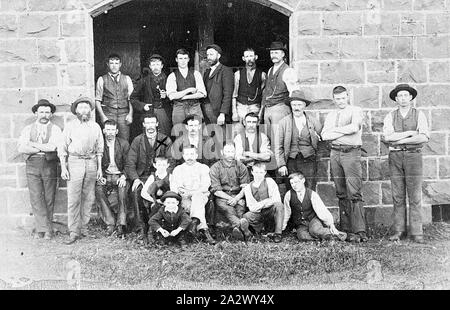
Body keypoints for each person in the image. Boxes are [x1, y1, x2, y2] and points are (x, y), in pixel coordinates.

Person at [382, 84, 429, 243]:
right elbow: (387, 137)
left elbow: (423, 137)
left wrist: (399, 139)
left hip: (413, 156)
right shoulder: (390, 116)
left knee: (415, 195)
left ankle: (416, 232)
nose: (402, 98)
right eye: (399, 96)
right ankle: (399, 230)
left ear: (410, 97)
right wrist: (409, 134)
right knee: (397, 195)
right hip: (395, 157)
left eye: (405, 95)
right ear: (396, 99)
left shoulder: (419, 115)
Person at [321, 86, 367, 243]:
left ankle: (360, 230)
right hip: (335, 153)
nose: (340, 101)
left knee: (354, 191)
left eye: (343, 98)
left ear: (347, 96)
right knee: (341, 191)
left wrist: (336, 131)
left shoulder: (355, 110)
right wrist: (343, 132)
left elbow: (355, 128)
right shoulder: (331, 114)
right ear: (333, 99)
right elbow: (325, 135)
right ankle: (346, 229)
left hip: (351, 153)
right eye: (337, 98)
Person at [59, 97, 104, 245]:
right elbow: (62, 148)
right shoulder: (70, 126)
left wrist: (99, 169)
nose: (84, 110)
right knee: (74, 198)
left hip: (91, 162)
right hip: (75, 162)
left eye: (86, 107)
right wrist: (64, 167)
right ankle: (73, 231)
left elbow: (99, 149)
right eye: (81, 107)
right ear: (76, 111)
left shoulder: (95, 126)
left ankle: (84, 228)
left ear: (90, 110)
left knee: (88, 197)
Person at [17, 99, 62, 240]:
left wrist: (32, 145)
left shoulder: (55, 129)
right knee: (36, 197)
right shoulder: (27, 129)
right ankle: (41, 228)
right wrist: (42, 147)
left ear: (51, 114)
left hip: (49, 164)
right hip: (32, 164)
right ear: (36, 113)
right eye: (41, 112)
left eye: (47, 112)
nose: (44, 115)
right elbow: (21, 148)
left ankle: (47, 230)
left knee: (49, 196)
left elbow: (52, 147)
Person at [125, 113, 173, 243]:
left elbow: (172, 162)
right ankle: (141, 227)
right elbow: (130, 162)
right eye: (148, 123)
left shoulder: (165, 140)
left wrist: (162, 179)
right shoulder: (137, 140)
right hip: (143, 176)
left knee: (162, 193)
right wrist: (135, 178)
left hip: (160, 177)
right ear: (144, 125)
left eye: (153, 123)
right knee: (136, 191)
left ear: (157, 124)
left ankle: (160, 226)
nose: (150, 126)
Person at [275, 90, 322, 191]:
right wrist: (282, 164)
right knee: (292, 189)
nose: (296, 108)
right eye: (294, 105)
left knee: (309, 188)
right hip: (291, 161)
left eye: (299, 105)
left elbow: (323, 137)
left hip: (309, 160)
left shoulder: (313, 121)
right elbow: (278, 146)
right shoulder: (284, 122)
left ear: (304, 105)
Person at [170, 145, 216, 245]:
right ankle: (203, 228)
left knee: (197, 197)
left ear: (196, 155)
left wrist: (192, 193)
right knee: (194, 202)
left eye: (192, 154)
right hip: (184, 198)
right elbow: (174, 187)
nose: (189, 157)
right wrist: (182, 193)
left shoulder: (203, 168)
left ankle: (194, 224)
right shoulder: (178, 169)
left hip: (200, 196)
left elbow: (205, 186)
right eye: (186, 154)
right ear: (183, 156)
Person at [283, 172, 347, 242]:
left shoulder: (312, 194)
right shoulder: (288, 195)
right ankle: (325, 238)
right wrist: (282, 227)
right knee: (303, 237)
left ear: (303, 180)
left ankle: (339, 235)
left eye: (296, 182)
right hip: (300, 223)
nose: (294, 185)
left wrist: (331, 224)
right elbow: (287, 212)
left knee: (315, 230)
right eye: (292, 183)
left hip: (312, 219)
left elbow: (321, 210)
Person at [209, 143, 251, 241]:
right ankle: (244, 229)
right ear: (222, 152)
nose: (230, 154)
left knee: (240, 208)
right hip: (222, 196)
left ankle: (237, 229)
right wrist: (231, 199)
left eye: (232, 151)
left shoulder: (241, 166)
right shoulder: (215, 167)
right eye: (227, 151)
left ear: (235, 152)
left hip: (238, 195)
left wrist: (237, 198)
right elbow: (216, 191)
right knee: (228, 209)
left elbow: (245, 187)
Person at [95, 119, 130, 237]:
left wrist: (124, 176)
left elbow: (129, 163)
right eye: (108, 130)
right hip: (106, 176)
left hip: (120, 175)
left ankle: (121, 224)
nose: (110, 132)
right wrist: (102, 176)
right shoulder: (100, 144)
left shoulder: (123, 143)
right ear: (104, 131)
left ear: (117, 131)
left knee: (122, 192)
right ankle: (110, 223)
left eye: (112, 130)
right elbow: (96, 162)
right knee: (99, 190)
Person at [238, 163, 284, 243]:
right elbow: (252, 208)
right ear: (252, 172)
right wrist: (266, 201)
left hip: (270, 211)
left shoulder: (270, 181)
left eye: (261, 172)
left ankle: (278, 234)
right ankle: (249, 233)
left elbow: (276, 199)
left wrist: (259, 205)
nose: (258, 175)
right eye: (256, 172)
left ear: (265, 172)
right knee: (246, 216)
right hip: (258, 213)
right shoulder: (248, 187)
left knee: (279, 206)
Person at [130, 54, 172, 137]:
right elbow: (133, 97)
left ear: (162, 66)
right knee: (149, 136)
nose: (155, 67)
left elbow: (175, 98)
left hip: (164, 113)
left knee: (164, 136)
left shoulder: (169, 79)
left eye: (158, 64)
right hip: (149, 113)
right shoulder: (144, 80)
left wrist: (167, 96)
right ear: (150, 66)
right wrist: (143, 106)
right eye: (153, 65)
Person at [95, 53, 134, 141]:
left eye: (116, 63)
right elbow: (97, 100)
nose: (114, 66)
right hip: (108, 113)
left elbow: (131, 99)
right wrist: (103, 116)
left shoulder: (127, 79)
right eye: (111, 63)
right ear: (108, 64)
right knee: (108, 139)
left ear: (120, 64)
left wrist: (130, 114)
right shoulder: (102, 79)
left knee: (124, 140)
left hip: (123, 114)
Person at [260, 41, 298, 127]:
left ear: (283, 54)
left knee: (278, 137)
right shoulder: (270, 70)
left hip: (281, 108)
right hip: (268, 108)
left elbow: (294, 93)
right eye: (271, 53)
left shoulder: (288, 71)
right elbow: (266, 91)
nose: (273, 55)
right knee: (268, 137)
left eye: (276, 53)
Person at [166, 48, 207, 126]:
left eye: (185, 58)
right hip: (179, 109)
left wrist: (183, 97)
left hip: (194, 107)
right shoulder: (172, 76)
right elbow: (172, 96)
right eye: (180, 58)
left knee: (198, 133)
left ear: (188, 59)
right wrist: (189, 90)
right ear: (176, 60)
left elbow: (202, 93)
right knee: (180, 134)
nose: (183, 61)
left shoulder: (196, 74)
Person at [232, 48, 266, 123]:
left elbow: (264, 96)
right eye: (247, 57)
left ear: (256, 57)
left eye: (251, 56)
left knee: (253, 131)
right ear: (243, 58)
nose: (249, 59)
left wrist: (261, 113)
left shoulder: (262, 75)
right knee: (239, 131)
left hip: (255, 107)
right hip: (241, 107)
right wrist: (234, 112)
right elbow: (234, 95)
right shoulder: (238, 74)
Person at [202, 44, 234, 126]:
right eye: (207, 54)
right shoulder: (207, 72)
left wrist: (223, 114)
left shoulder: (226, 70)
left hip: (218, 113)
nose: (209, 57)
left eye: (211, 54)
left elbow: (228, 94)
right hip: (206, 111)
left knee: (221, 136)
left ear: (218, 56)